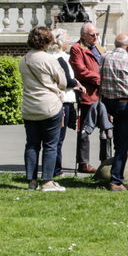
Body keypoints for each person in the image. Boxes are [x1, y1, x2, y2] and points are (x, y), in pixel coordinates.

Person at [17, 26, 67, 191]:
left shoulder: (23, 60)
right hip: (49, 105)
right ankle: (47, 181)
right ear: (47, 41)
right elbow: (63, 82)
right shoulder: (48, 59)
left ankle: (31, 181)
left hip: (29, 106)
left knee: (32, 145)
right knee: (50, 145)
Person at [96, 32, 128, 191]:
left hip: (107, 102)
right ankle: (116, 180)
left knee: (113, 139)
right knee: (122, 144)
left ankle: (112, 170)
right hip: (124, 103)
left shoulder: (104, 58)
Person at [67, 22, 106, 172]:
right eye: (92, 35)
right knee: (84, 129)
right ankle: (83, 163)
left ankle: (106, 160)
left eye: (97, 34)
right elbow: (80, 71)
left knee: (106, 129)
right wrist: (99, 79)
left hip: (103, 94)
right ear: (83, 35)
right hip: (88, 95)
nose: (95, 37)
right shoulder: (77, 48)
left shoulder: (100, 48)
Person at [49, 28, 83, 178]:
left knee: (58, 138)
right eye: (67, 39)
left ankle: (55, 168)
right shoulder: (58, 58)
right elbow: (66, 80)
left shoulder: (61, 57)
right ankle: (55, 169)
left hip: (66, 99)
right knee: (57, 138)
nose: (69, 41)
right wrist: (76, 83)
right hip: (62, 100)